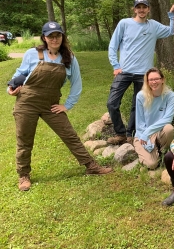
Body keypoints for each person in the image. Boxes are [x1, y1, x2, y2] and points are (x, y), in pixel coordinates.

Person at [7, 22, 113, 191]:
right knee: (24, 140)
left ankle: (91, 166)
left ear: (62, 37)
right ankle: (23, 175)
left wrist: (67, 105)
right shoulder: (32, 54)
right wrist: (11, 87)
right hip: (27, 102)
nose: (54, 39)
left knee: (69, 135)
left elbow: (76, 84)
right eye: (50, 36)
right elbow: (20, 73)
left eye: (57, 35)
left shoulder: (69, 58)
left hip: (51, 104)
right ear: (44, 38)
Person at [107, 0, 174, 145]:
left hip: (144, 74)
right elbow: (113, 45)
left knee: (138, 104)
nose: (141, 10)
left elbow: (172, 31)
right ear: (134, 9)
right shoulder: (124, 23)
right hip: (124, 72)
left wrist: (172, 15)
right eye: (138, 7)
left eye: (144, 7)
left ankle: (130, 134)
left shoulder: (153, 26)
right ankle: (120, 133)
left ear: (148, 9)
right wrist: (116, 65)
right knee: (112, 103)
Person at [133, 67, 174, 169]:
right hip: (143, 134)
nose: (154, 82)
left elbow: (167, 119)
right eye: (151, 80)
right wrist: (145, 136)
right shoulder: (140, 96)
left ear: (162, 80)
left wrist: (148, 131)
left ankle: (164, 153)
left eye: (156, 79)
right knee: (152, 165)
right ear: (147, 82)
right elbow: (140, 122)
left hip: (160, 132)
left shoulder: (170, 95)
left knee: (169, 128)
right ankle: (151, 152)